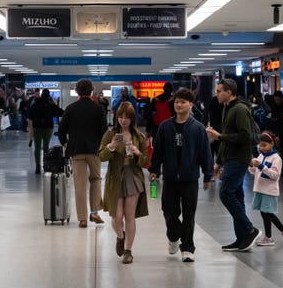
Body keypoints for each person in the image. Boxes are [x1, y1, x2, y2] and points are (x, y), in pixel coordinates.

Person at [149, 88, 213, 263]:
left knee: (189, 214)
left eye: (183, 102)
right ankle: (173, 236)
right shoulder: (165, 126)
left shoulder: (198, 128)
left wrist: (207, 175)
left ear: (190, 105)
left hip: (190, 178)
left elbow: (205, 153)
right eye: (177, 101)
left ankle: (188, 247)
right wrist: (154, 169)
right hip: (170, 178)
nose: (179, 105)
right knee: (168, 211)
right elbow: (158, 150)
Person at [206, 79, 261, 252]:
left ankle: (250, 229)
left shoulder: (239, 109)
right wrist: (219, 162)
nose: (217, 94)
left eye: (219, 91)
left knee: (226, 193)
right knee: (236, 197)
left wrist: (219, 137)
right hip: (230, 158)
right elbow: (227, 136)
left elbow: (246, 136)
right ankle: (242, 238)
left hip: (239, 159)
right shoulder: (227, 108)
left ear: (229, 92)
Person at [99, 103, 150, 264]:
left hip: (133, 178)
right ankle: (120, 237)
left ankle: (128, 250)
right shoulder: (110, 134)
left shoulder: (139, 136)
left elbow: (145, 162)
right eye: (120, 116)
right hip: (115, 178)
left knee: (129, 216)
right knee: (116, 216)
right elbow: (101, 156)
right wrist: (112, 146)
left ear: (132, 118)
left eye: (127, 117)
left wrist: (137, 152)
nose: (123, 120)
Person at [58, 79, 109, 228]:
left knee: (79, 184)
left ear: (77, 92)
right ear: (91, 91)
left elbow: (61, 130)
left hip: (76, 150)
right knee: (96, 179)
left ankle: (82, 219)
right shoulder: (99, 109)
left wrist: (65, 143)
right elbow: (104, 131)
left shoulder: (71, 108)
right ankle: (94, 211)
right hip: (94, 150)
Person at [249, 131, 283, 246]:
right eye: (260, 145)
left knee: (267, 213)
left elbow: (275, 175)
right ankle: (276, 234)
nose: (262, 148)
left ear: (272, 143)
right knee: (264, 213)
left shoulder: (276, 158)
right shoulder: (261, 155)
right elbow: (254, 171)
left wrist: (262, 166)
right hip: (260, 189)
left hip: (269, 190)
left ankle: (274, 235)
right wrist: (252, 165)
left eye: (264, 145)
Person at [29, 88, 64, 174]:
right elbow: (60, 112)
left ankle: (37, 166)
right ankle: (46, 164)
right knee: (46, 147)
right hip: (48, 128)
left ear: (41, 94)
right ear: (48, 95)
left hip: (37, 127)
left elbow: (30, 115)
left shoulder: (36, 103)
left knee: (37, 147)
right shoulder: (50, 104)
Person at [204, 91, 224, 159]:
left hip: (211, 133)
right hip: (221, 134)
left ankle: (210, 169)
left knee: (209, 157)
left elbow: (204, 118)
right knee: (220, 156)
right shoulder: (224, 104)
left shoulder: (211, 101)